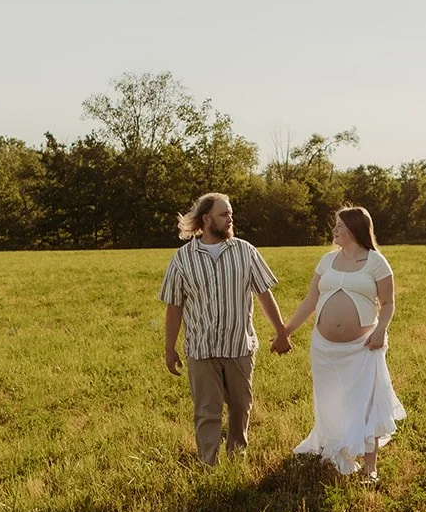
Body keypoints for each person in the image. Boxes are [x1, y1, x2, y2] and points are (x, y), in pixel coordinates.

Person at [159, 192, 290, 466]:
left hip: (239, 346)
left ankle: (236, 460)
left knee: (241, 407)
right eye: (224, 214)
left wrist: (281, 332)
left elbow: (264, 295)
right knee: (207, 412)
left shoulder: (246, 251)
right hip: (201, 349)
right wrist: (169, 349)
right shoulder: (183, 259)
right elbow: (174, 307)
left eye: (230, 214)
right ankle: (208, 464)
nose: (230, 219)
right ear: (206, 219)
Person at [280, 206, 405, 483]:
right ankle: (336, 450)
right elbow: (310, 301)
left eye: (339, 225)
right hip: (324, 348)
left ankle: (371, 469)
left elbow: (388, 304)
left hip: (363, 346)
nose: (334, 230)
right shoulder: (326, 261)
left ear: (354, 228)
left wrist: (380, 331)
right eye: (335, 225)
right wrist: (285, 331)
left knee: (367, 403)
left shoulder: (376, 262)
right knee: (330, 401)